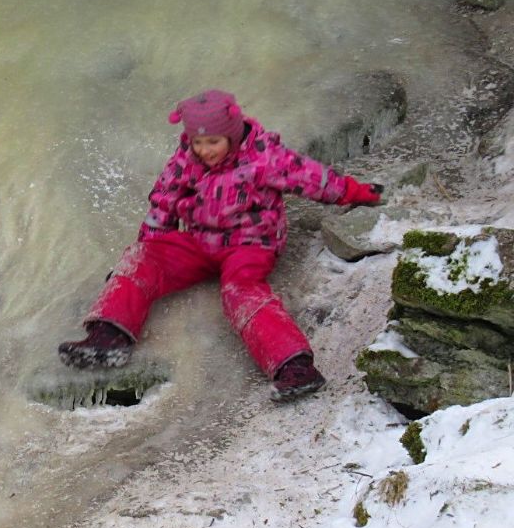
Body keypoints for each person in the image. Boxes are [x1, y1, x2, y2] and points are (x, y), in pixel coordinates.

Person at [58, 89, 382, 402]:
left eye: (213, 141)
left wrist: (356, 192)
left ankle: (293, 365)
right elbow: (164, 201)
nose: (205, 150)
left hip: (250, 243)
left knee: (239, 289)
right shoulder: (186, 160)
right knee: (140, 256)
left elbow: (311, 178)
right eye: (198, 142)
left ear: (232, 134)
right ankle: (109, 337)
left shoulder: (263, 157)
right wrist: (151, 250)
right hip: (200, 241)